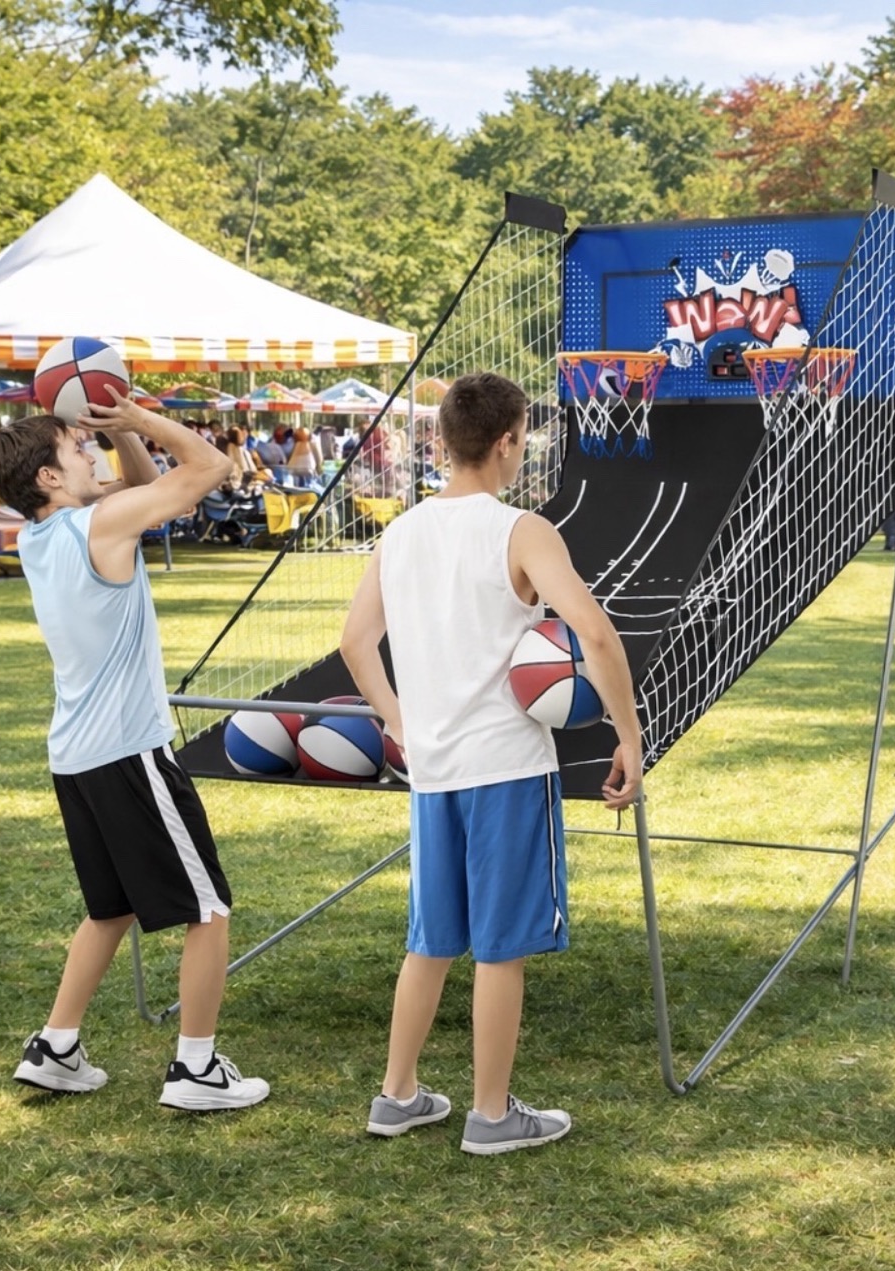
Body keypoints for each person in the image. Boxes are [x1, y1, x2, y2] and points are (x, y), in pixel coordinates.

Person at [340, 371, 643, 1155]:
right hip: (505, 766)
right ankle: (491, 1113)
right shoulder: (522, 530)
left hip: (434, 768)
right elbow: (598, 635)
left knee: (432, 939)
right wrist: (630, 733)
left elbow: (354, 642)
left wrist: (398, 718)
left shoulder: (400, 532)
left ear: (444, 439)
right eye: (524, 442)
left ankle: (397, 1093)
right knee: (502, 946)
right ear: (507, 441)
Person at [0, 390, 269, 1112]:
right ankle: (197, 1071)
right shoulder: (97, 524)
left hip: (75, 758)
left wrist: (118, 438)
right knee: (209, 907)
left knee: (109, 908)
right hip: (128, 753)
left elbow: (144, 490)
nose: (89, 452)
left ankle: (56, 1045)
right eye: (76, 449)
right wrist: (139, 419)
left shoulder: (41, 535)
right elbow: (207, 467)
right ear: (49, 478)